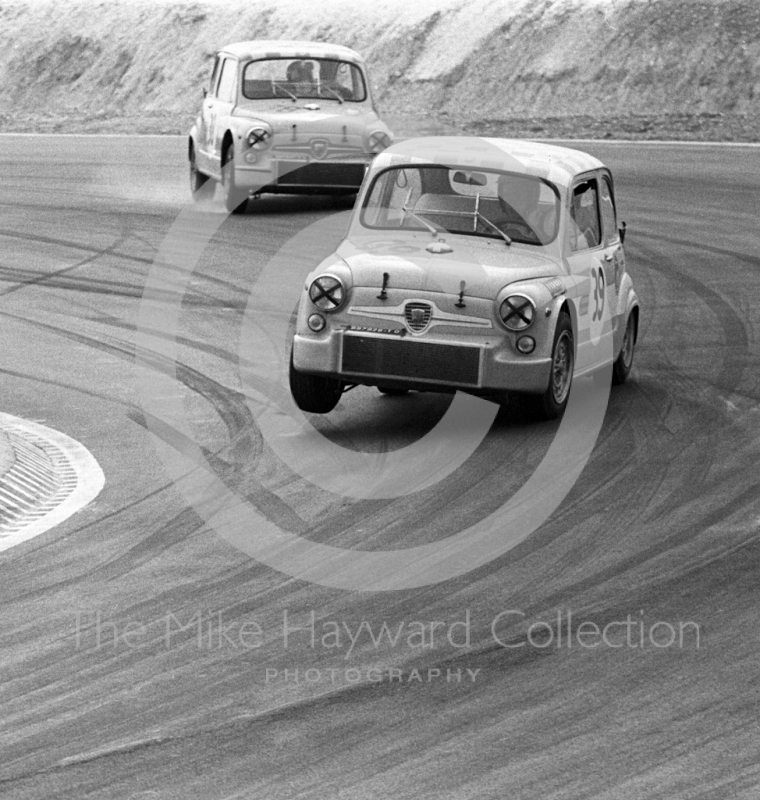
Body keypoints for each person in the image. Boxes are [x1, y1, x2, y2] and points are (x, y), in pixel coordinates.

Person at [496, 174, 554, 243]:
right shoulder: (497, 224)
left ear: (530, 198)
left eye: (516, 197)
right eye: (506, 196)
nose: (510, 203)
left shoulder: (544, 223)